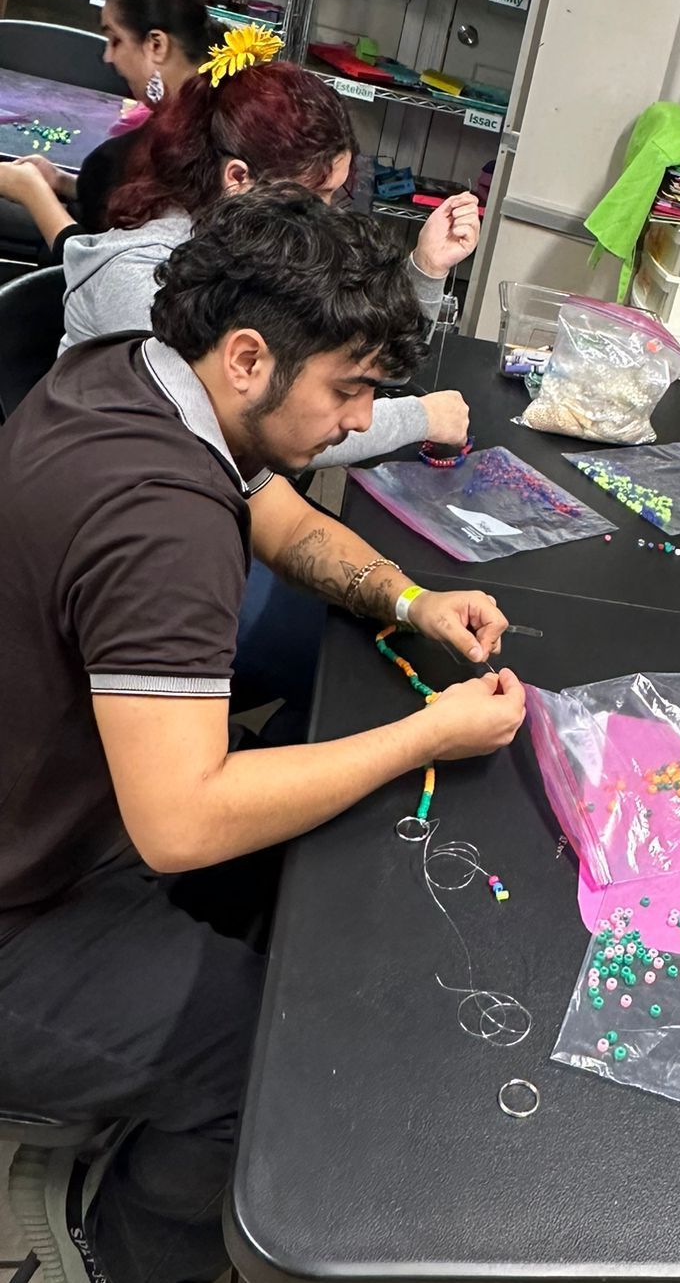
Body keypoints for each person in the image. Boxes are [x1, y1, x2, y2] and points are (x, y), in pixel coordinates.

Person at [0, 186, 526, 1283]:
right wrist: (423, 735)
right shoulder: (160, 521)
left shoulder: (134, 365)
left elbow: (272, 507)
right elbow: (184, 821)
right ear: (249, 357)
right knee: (277, 1060)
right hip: (24, 904)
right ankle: (128, 1250)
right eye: (348, 390)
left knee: (295, 797)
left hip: (49, 820)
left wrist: (405, 596)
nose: (352, 421)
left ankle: (150, 1077)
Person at [61, 49, 473, 466]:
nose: (325, 216)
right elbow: (273, 427)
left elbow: (370, 364)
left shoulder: (256, 253)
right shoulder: (140, 275)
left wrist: (426, 266)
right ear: (238, 178)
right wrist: (422, 417)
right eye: (317, 196)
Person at [0, 0, 215, 253]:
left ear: (156, 45)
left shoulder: (190, 146)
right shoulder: (183, 117)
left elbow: (101, 268)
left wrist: (32, 192)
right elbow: (132, 196)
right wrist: (64, 182)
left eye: (115, 40)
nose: (108, 56)